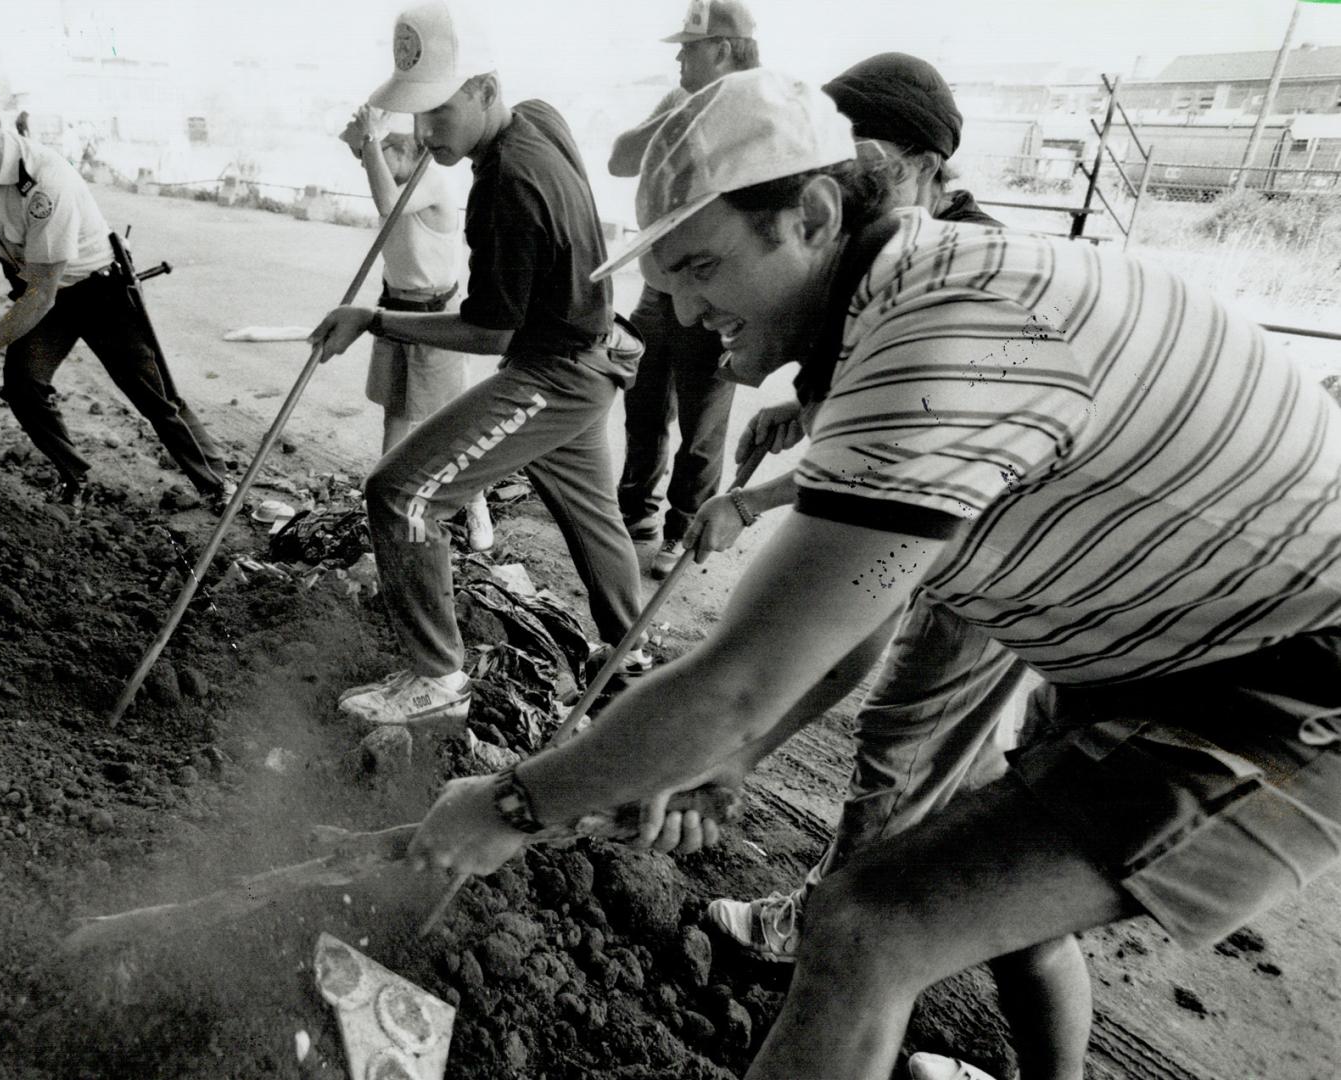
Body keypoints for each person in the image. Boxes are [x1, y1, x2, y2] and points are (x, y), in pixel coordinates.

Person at [405, 68, 1341, 1080]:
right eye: (666, 276)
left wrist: (509, 806)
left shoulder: (933, 344)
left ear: (810, 215)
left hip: (1284, 678)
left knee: (866, 930)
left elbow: (738, 682)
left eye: (702, 265)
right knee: (992, 896)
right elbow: (852, 628)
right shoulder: (908, 303)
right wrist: (733, 754)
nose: (676, 306)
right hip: (1161, 650)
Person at [694, 53, 1063, 1080]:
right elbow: (870, 450)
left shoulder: (950, 274)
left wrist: (733, 740)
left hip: (999, 569)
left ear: (924, 169)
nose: (847, 184)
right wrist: (793, 428)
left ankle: (820, 934)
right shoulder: (882, 264)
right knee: (992, 820)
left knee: (896, 767)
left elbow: (861, 569)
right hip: (995, 561)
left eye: (861, 161)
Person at [309, 1, 645, 727]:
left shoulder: (504, 187)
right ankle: (632, 665)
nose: (427, 132)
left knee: (401, 494)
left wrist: (376, 319)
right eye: (417, 117)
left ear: (485, 88)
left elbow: (491, 331)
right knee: (594, 524)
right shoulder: (540, 118)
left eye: (439, 111)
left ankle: (435, 678)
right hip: (593, 351)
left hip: (553, 370)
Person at [0, 65, 231, 511]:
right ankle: (75, 477)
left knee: (154, 396)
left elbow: (42, 293)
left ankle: (215, 484)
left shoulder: (46, 179)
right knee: (22, 386)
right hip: (43, 297)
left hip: (100, 294)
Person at [607, 0, 758, 578]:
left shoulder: (757, 108)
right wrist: (682, 114)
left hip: (717, 294)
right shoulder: (677, 101)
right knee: (643, 408)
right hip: (657, 287)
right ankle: (635, 514)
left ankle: (685, 528)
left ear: (721, 49)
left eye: (688, 47)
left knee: (702, 424)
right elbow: (621, 158)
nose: (677, 56)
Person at [338, 104, 493, 552]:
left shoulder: (429, 180)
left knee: (450, 421)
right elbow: (354, 142)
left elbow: (388, 205)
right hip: (395, 309)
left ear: (406, 150)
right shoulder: (395, 166)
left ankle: (475, 501)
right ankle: (383, 503)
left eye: (383, 153)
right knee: (397, 412)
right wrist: (370, 129)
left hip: (434, 314)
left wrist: (371, 139)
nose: (372, 166)